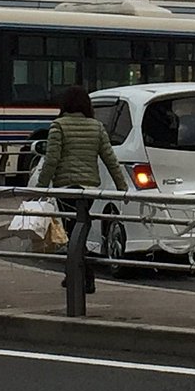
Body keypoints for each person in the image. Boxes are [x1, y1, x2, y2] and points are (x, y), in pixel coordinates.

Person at [37, 85, 129, 294]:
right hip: (88, 189)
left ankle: (84, 276)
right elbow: (110, 159)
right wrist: (122, 187)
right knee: (81, 230)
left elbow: (51, 160)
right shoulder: (97, 127)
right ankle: (75, 275)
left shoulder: (57, 127)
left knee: (72, 232)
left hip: (66, 187)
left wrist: (41, 188)